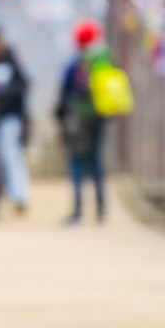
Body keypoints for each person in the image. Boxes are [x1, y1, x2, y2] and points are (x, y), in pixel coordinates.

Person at [55, 19, 110, 225]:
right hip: (99, 119)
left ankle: (78, 211)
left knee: (77, 164)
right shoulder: (102, 63)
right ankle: (101, 209)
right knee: (96, 163)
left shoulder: (74, 66)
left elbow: (64, 95)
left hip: (78, 122)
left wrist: (61, 118)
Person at [0, 29, 30, 214]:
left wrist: (2, 96)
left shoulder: (9, 60)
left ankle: (19, 194)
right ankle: (7, 193)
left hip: (10, 117)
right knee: (1, 158)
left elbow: (23, 85)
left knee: (11, 155)